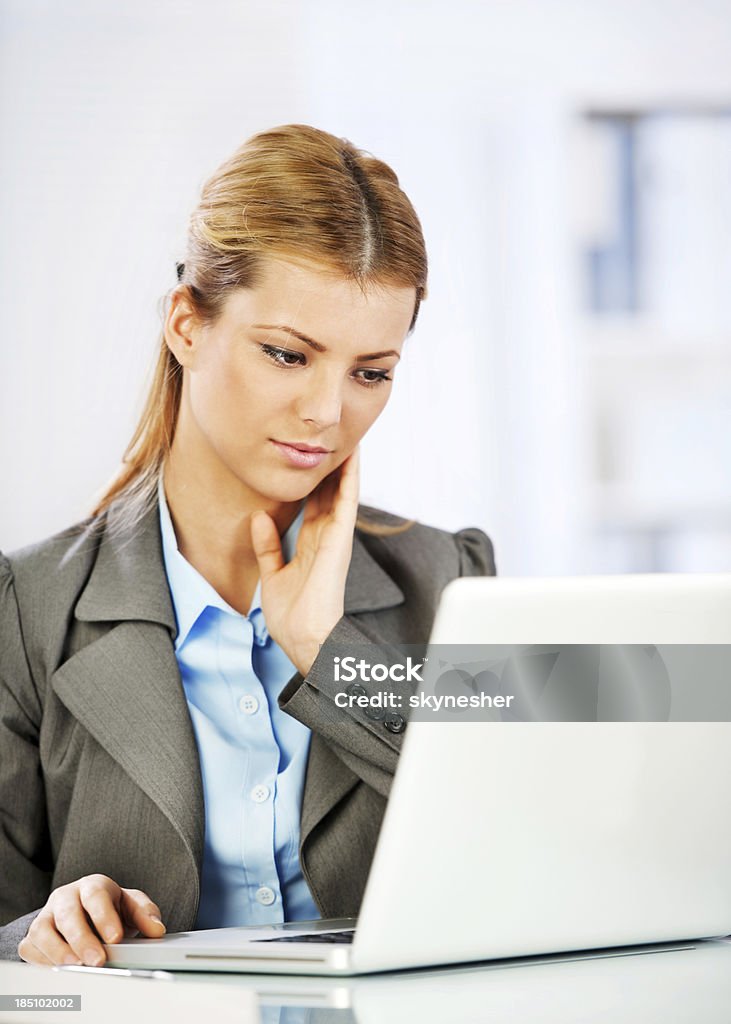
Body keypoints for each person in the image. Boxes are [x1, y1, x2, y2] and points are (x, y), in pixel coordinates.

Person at [0, 124, 496, 965]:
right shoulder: (28, 609)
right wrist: (39, 933)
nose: (326, 413)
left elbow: (522, 855)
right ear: (187, 325)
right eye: (286, 355)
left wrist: (326, 654)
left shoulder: (450, 581)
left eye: (370, 372)